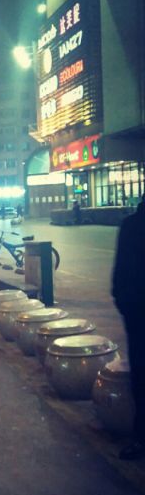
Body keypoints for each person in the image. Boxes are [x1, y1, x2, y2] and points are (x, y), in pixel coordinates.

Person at [112, 193, 145, 460]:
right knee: (141, 378)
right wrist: (128, 306)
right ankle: (141, 436)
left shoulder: (130, 225)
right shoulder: (133, 226)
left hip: (136, 314)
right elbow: (120, 275)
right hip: (139, 314)